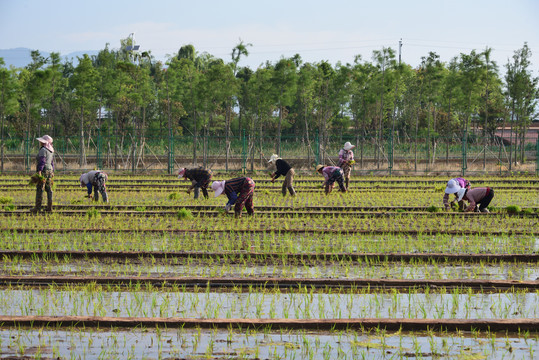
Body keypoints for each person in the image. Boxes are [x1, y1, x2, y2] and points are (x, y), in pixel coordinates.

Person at [31, 135, 55, 213]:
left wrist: (39, 171)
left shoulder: (43, 150)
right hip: (50, 170)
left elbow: (42, 161)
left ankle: (37, 208)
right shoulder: (51, 150)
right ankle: (49, 207)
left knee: (40, 188)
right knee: (49, 189)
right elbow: (52, 162)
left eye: (41, 141)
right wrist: (53, 171)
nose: (40, 142)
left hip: (44, 170)